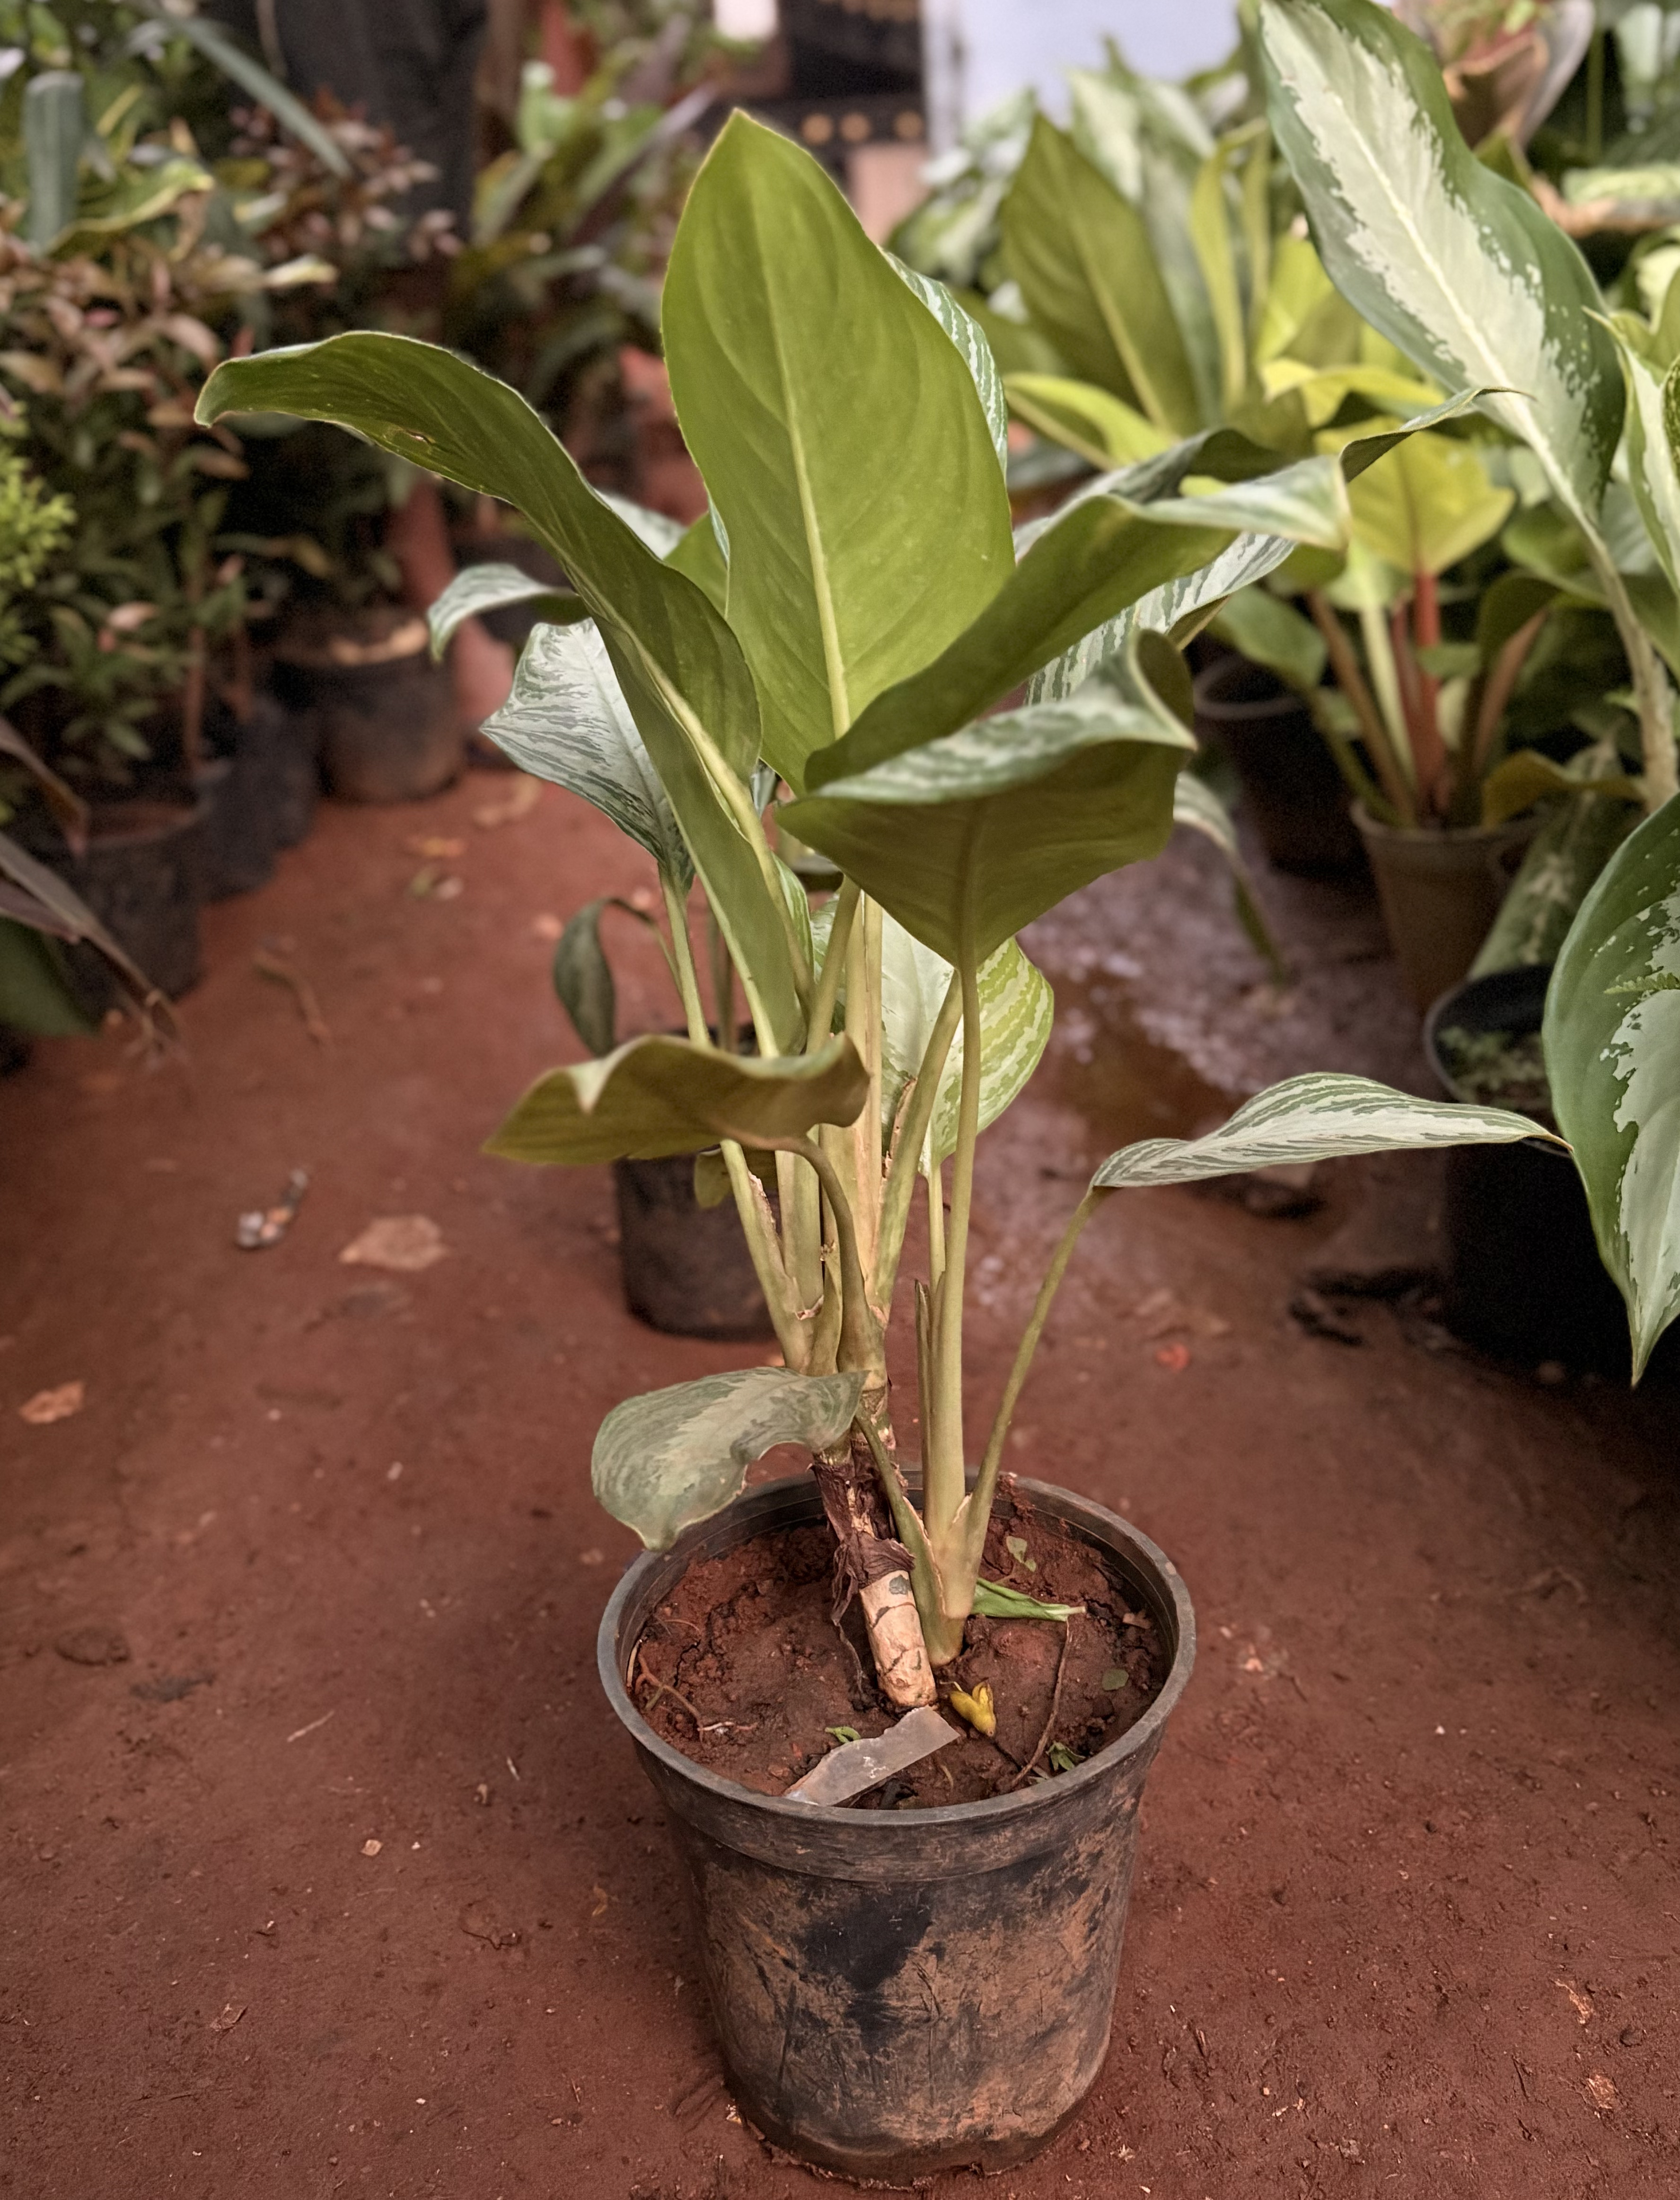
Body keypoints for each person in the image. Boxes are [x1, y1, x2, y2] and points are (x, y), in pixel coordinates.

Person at [210, 0, 516, 731]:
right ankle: (439, 616)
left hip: (390, 181)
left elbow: (460, 44)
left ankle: (436, 613)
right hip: (333, 194)